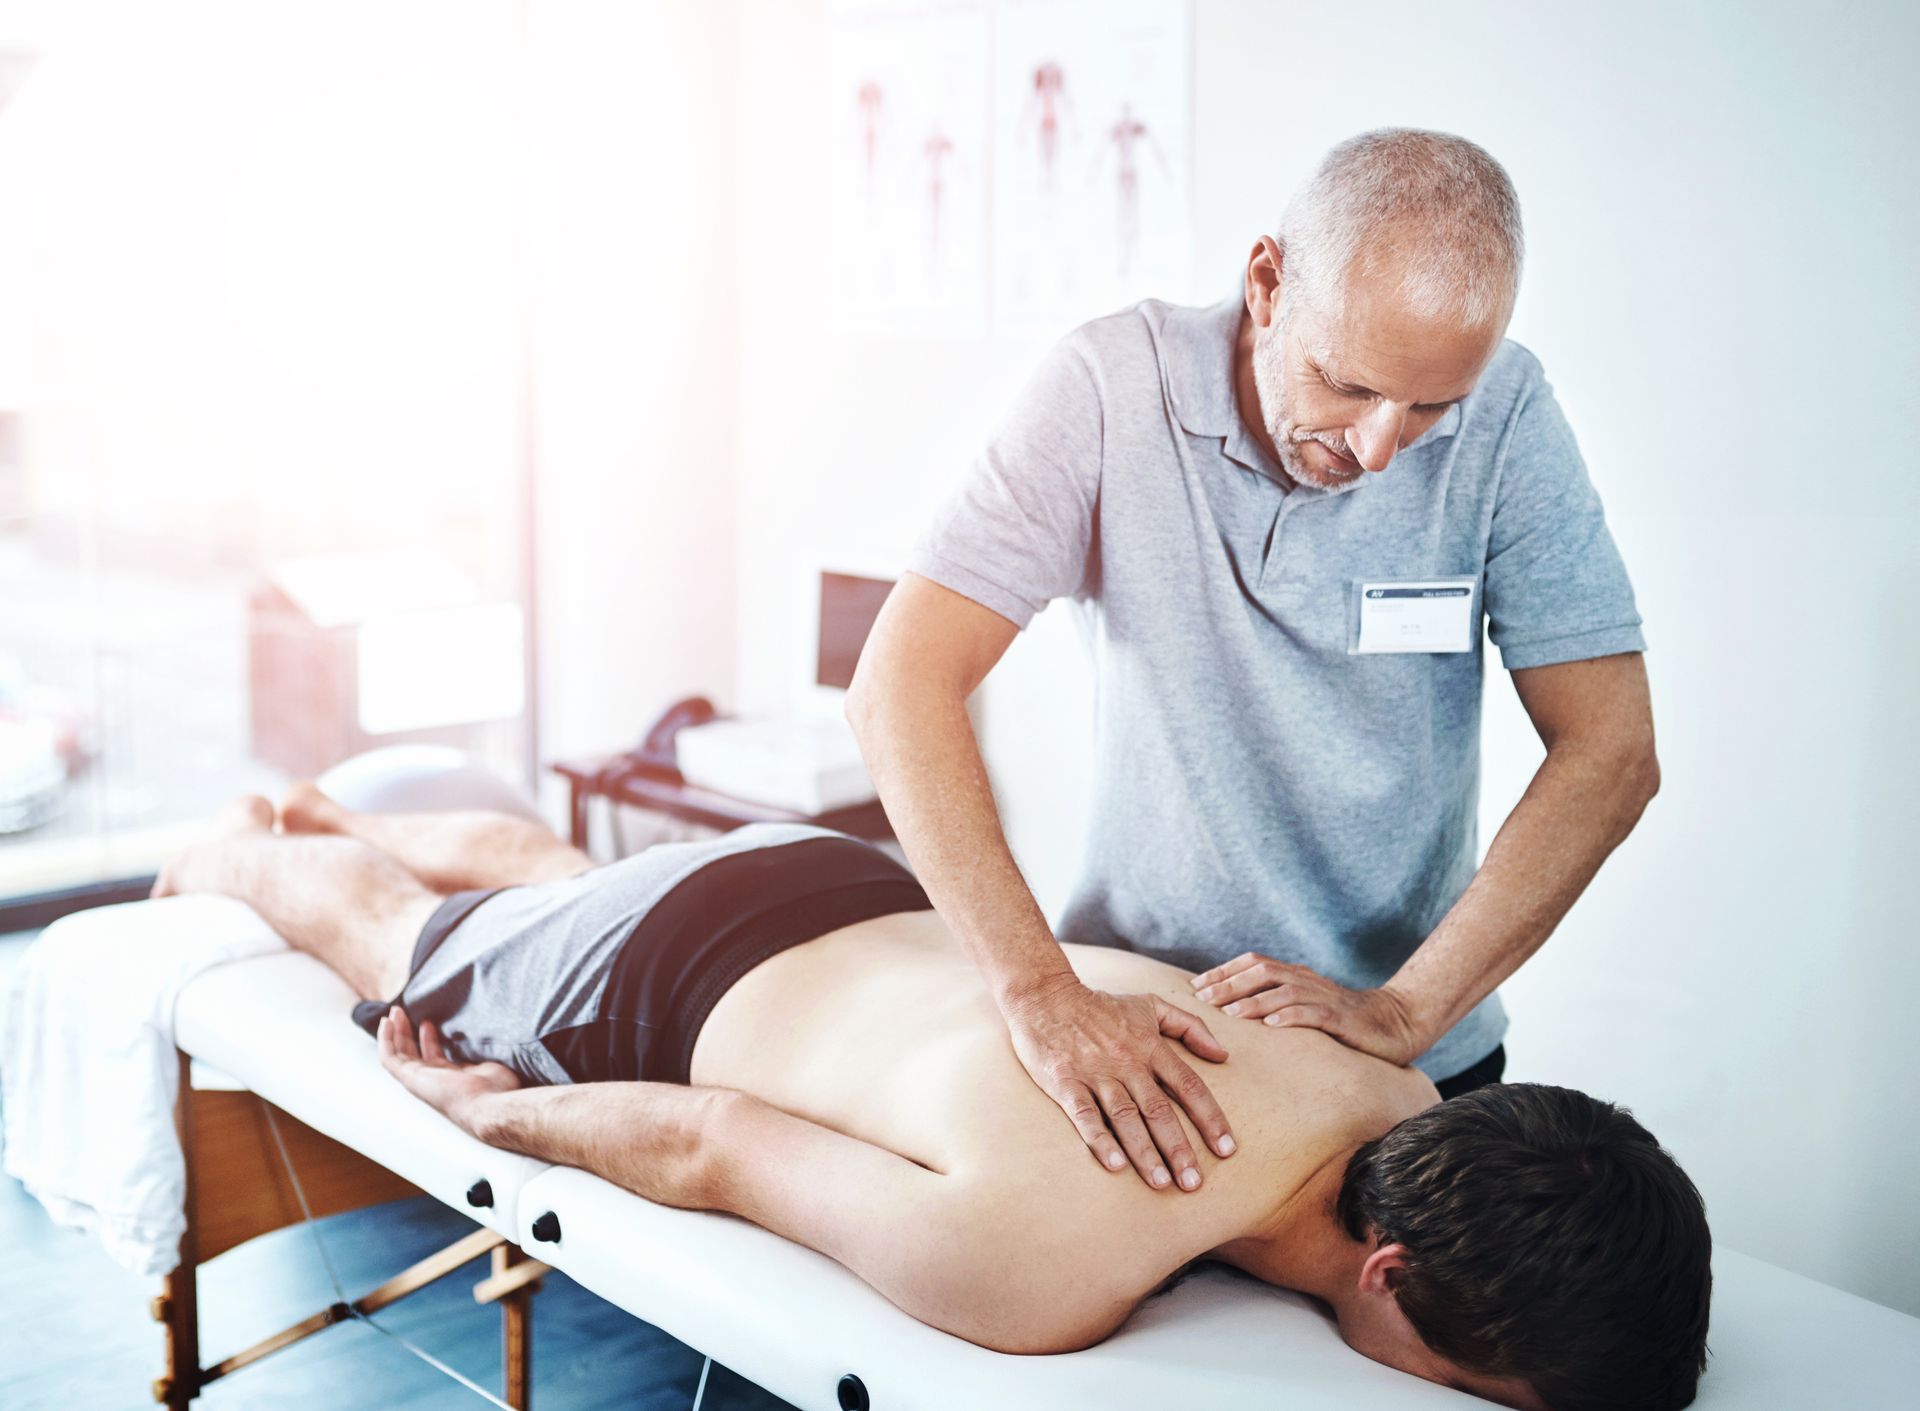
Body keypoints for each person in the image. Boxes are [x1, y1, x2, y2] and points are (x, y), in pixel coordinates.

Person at [153, 790, 1711, 1409]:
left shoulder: (1380, 1064)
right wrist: (490, 1124)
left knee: (567, 892)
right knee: (393, 937)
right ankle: (238, 842)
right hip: (674, 978)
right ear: (1389, 1279)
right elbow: (709, 1138)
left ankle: (448, 840)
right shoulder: (1041, 1267)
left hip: (854, 886)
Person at [845, 127, 1660, 1196]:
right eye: (1348, 385)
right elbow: (899, 685)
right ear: (1267, 282)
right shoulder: (1109, 386)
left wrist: (1405, 1010)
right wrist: (1040, 994)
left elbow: (1612, 749)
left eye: (1427, 410)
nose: (1379, 449)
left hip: (1407, 1061)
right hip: (1152, 1040)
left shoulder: (1508, 413)